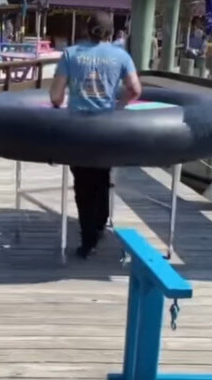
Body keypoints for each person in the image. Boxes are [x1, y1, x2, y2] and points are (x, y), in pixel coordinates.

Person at [48, 11, 142, 258]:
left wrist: (57, 108)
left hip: (78, 129)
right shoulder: (121, 56)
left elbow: (56, 96)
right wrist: (119, 103)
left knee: (82, 184)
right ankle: (100, 225)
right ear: (112, 33)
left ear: (87, 30)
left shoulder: (71, 54)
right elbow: (134, 89)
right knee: (102, 178)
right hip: (106, 128)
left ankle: (88, 236)